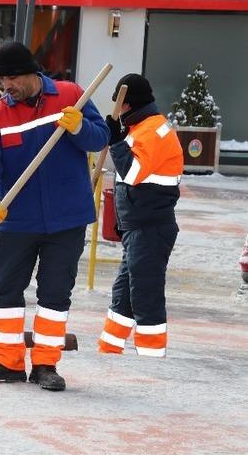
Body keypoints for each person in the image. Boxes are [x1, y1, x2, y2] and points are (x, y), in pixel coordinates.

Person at [0, 41, 109, 391]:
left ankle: (46, 364)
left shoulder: (71, 94)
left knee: (55, 295)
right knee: (6, 291)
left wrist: (78, 127)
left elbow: (100, 138)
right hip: (16, 219)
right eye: (1, 81)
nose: (6, 87)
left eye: (11, 79)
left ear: (29, 73)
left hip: (66, 218)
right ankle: (8, 361)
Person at [97, 74, 183, 358]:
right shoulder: (143, 127)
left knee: (145, 292)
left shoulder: (154, 131)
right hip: (139, 227)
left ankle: (151, 356)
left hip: (150, 227)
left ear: (129, 104)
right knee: (124, 293)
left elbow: (133, 173)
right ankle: (109, 350)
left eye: (119, 105)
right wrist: (120, 137)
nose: (117, 111)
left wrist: (117, 140)